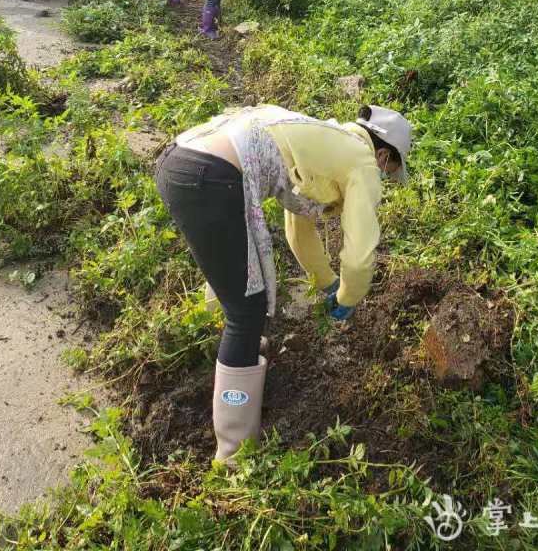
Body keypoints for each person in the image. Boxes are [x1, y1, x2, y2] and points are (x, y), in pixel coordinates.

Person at [154, 103, 412, 462]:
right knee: (247, 312)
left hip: (179, 160)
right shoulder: (362, 162)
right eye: (391, 171)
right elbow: (359, 254)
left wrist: (327, 283)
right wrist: (348, 297)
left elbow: (298, 229)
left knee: (239, 284)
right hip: (211, 177)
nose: (385, 177)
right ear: (383, 156)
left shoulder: (320, 141)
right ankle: (235, 455)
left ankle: (226, 354)